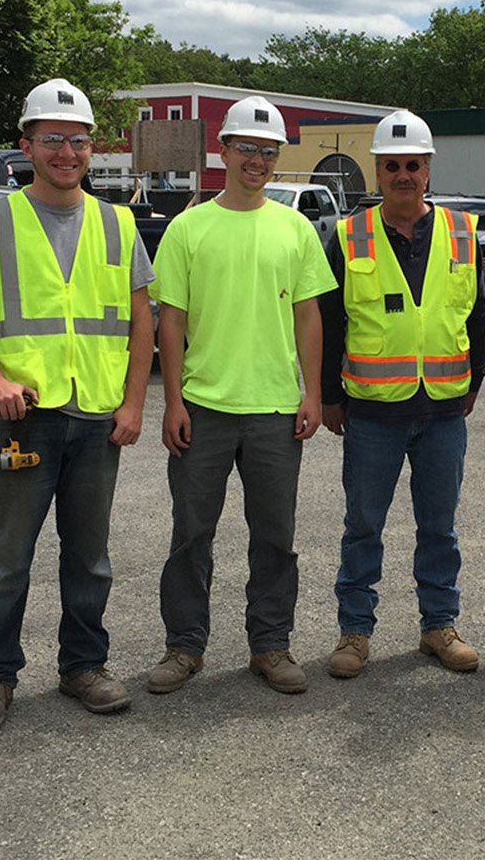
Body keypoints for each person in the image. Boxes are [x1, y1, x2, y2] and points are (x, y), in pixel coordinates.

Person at [0, 78, 154, 733]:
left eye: (79, 140)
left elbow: (141, 323)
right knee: (6, 559)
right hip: (18, 418)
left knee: (90, 557)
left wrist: (133, 404)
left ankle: (84, 667)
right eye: (53, 139)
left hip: (95, 417)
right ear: (27, 145)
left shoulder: (118, 223)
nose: (67, 151)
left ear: (92, 148)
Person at [147, 95, 336, 695]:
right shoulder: (188, 228)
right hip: (203, 408)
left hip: (276, 410)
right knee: (190, 536)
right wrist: (172, 401)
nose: (257, 159)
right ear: (223, 151)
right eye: (247, 148)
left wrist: (312, 394)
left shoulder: (295, 228)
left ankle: (271, 645)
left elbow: (310, 317)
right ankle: (184, 647)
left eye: (268, 150)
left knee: (275, 537)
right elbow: (170, 321)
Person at [318, 110, 485, 679]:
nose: (403, 175)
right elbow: (330, 321)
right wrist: (329, 396)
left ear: (428, 168)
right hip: (372, 412)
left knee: (439, 527)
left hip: (443, 410)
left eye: (412, 165)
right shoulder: (349, 235)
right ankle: (354, 633)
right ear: (377, 169)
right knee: (362, 525)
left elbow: (477, 315)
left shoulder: (462, 233)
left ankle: (439, 625)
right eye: (391, 165)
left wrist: (475, 381)